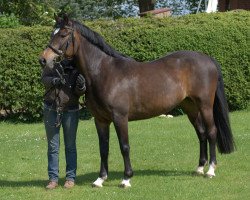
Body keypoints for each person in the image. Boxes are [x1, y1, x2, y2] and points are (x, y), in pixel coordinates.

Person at [41, 59, 86, 189]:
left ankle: (70, 178)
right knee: (53, 146)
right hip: (51, 108)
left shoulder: (78, 66)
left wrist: (82, 86)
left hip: (71, 109)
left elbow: (80, 92)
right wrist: (53, 81)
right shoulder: (51, 63)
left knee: (70, 145)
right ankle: (53, 179)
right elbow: (44, 78)